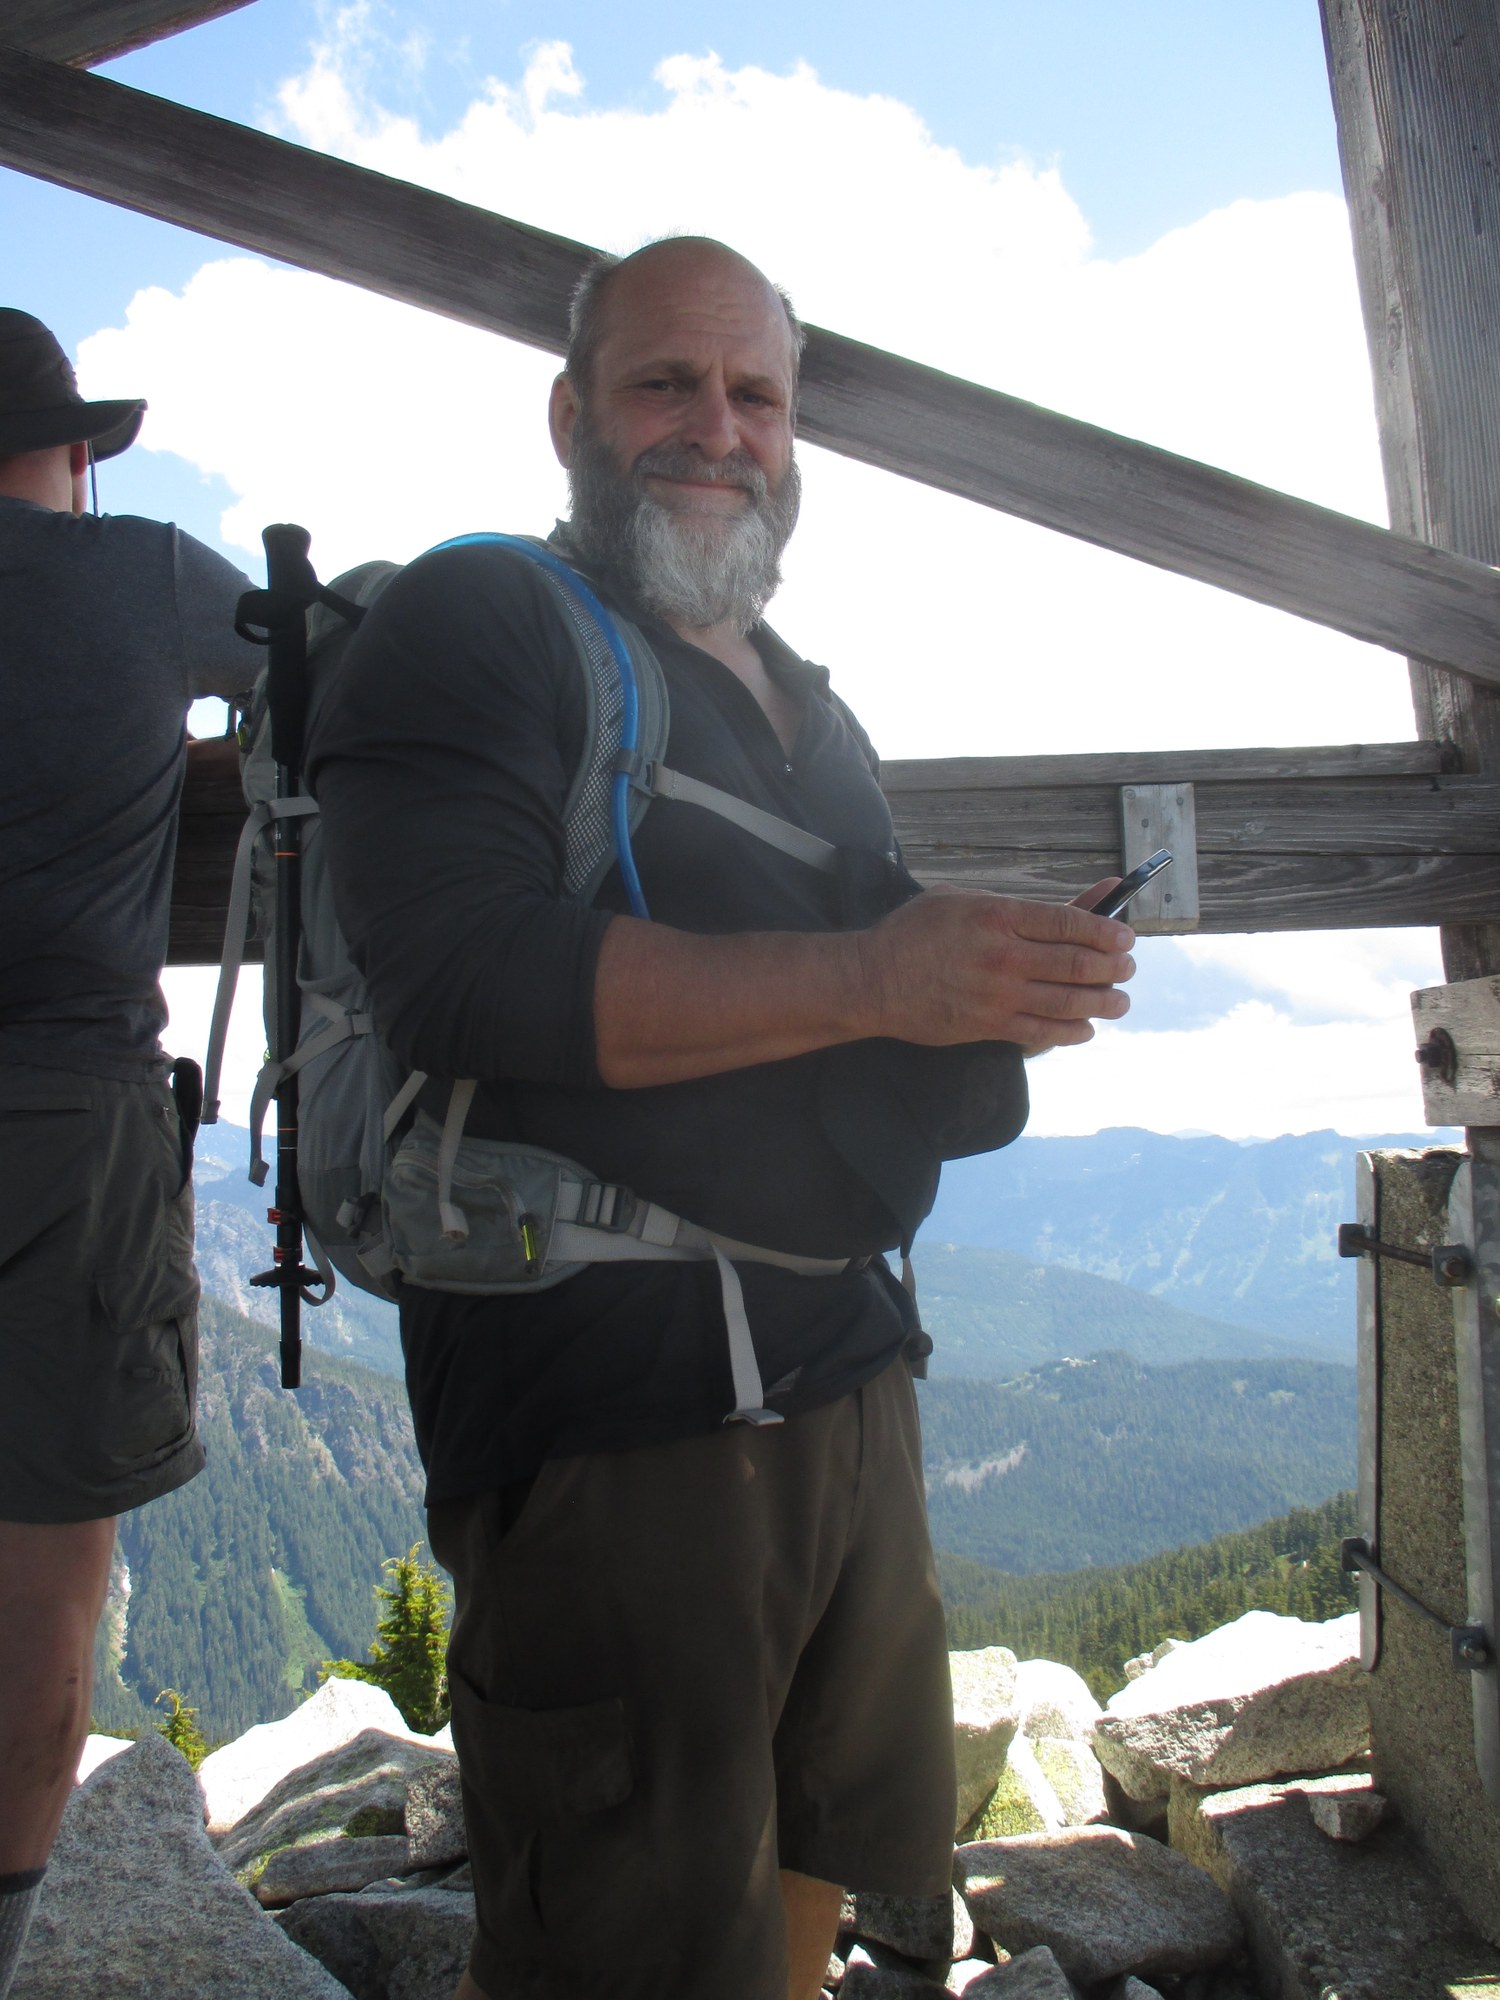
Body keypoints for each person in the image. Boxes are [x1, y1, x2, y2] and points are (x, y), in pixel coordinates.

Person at [307, 236, 1136, 2000]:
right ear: (571, 417)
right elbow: (464, 977)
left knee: (819, 1863)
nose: (718, 429)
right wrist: (881, 976)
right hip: (617, 1413)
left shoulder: (810, 705)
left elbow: (852, 1017)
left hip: (847, 1368)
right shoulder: (477, 627)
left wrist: (984, 999)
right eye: (666, 384)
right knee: (631, 1942)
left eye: (757, 395)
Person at [0, 310, 260, 1997]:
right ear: (76, 453)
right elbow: (335, 673)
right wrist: (186, 761)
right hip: (72, 1130)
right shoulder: (148, 577)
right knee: (42, 1604)